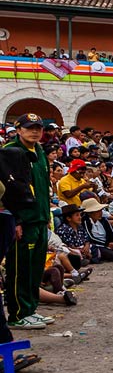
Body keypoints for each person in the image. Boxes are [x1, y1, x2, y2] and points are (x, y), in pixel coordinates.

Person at [3, 114, 56, 330]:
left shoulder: (40, 152)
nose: (34, 131)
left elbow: (42, 188)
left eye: (38, 128)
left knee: (34, 268)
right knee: (20, 268)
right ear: (18, 129)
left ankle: (30, 309)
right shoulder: (11, 152)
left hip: (40, 218)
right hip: (23, 220)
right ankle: (17, 313)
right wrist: (15, 220)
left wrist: (46, 217)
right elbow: (9, 191)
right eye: (29, 128)